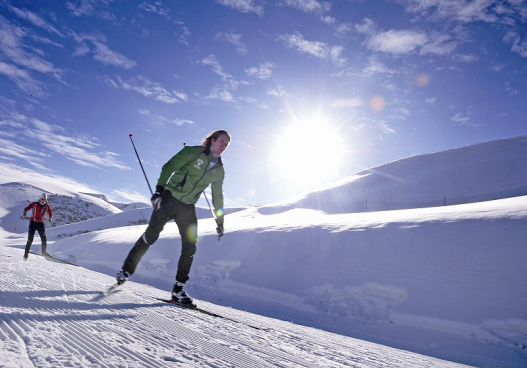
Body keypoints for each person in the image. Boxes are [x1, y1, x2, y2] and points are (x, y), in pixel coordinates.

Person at [116, 130, 230, 306]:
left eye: (227, 144)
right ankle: (126, 270)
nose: (224, 146)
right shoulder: (192, 152)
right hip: (169, 198)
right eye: (222, 141)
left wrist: (220, 220)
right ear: (212, 140)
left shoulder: (219, 170)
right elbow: (169, 167)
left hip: (187, 207)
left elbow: (217, 195)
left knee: (190, 246)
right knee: (151, 235)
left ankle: (178, 289)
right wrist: (159, 190)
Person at [23, 193, 53, 260]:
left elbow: (50, 212)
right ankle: (26, 253)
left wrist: (50, 218)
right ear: (39, 198)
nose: (43, 201)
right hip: (33, 223)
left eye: (44, 200)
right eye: (42, 199)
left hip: (40, 223)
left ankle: (43, 252)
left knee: (44, 238)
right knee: (30, 239)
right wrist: (25, 212)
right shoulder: (35, 204)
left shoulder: (47, 206)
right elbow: (27, 208)